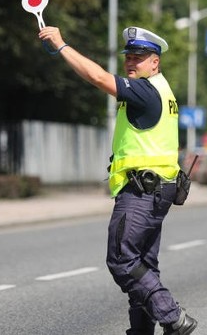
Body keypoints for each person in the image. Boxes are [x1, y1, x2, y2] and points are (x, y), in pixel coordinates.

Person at [39, 25, 198, 335]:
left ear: (155, 62)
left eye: (139, 57)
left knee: (122, 259)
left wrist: (61, 46)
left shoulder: (145, 91)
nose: (131, 62)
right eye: (128, 56)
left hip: (142, 190)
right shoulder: (163, 91)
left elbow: (97, 77)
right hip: (158, 189)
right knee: (143, 266)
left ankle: (173, 317)